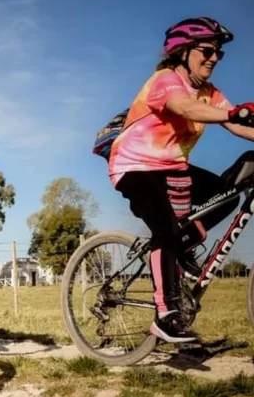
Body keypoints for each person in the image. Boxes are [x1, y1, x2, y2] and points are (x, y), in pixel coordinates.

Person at [106, 17, 254, 343]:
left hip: (172, 167)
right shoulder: (166, 80)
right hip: (135, 167)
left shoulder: (210, 93)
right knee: (166, 229)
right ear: (183, 51)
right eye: (207, 50)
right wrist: (232, 113)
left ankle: (179, 246)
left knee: (226, 195)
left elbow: (237, 125)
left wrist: (238, 118)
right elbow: (185, 108)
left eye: (219, 53)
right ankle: (165, 315)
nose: (214, 58)